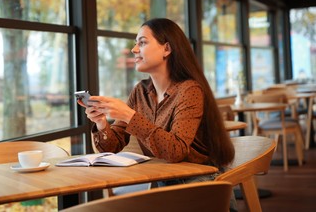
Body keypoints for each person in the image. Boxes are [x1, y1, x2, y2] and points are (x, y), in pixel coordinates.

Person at [79, 18, 235, 175]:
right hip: (162, 179)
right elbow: (111, 147)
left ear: (166, 48)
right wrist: (101, 122)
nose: (134, 49)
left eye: (142, 43)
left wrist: (128, 115)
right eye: (135, 43)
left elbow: (176, 151)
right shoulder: (140, 91)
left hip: (200, 180)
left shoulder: (189, 90)